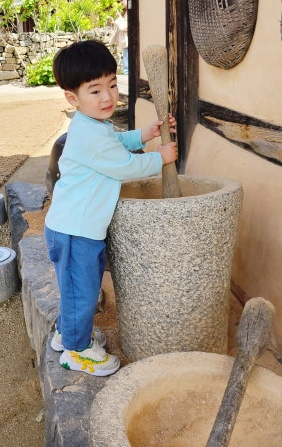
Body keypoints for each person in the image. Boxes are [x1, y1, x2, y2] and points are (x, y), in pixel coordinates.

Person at [44, 40, 177, 376]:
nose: (108, 97)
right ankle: (77, 351)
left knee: (77, 289)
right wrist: (159, 158)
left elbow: (116, 143)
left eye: (113, 85)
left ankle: (68, 334)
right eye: (95, 90)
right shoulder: (90, 135)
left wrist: (144, 134)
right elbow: (123, 166)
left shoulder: (91, 126)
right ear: (72, 98)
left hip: (76, 229)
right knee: (83, 292)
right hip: (75, 232)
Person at [109, 0, 129, 76]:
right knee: (126, 62)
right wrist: (114, 22)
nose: (121, 2)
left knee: (127, 66)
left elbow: (125, 27)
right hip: (125, 42)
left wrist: (119, 17)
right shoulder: (126, 13)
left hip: (128, 41)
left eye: (123, 0)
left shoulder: (130, 12)